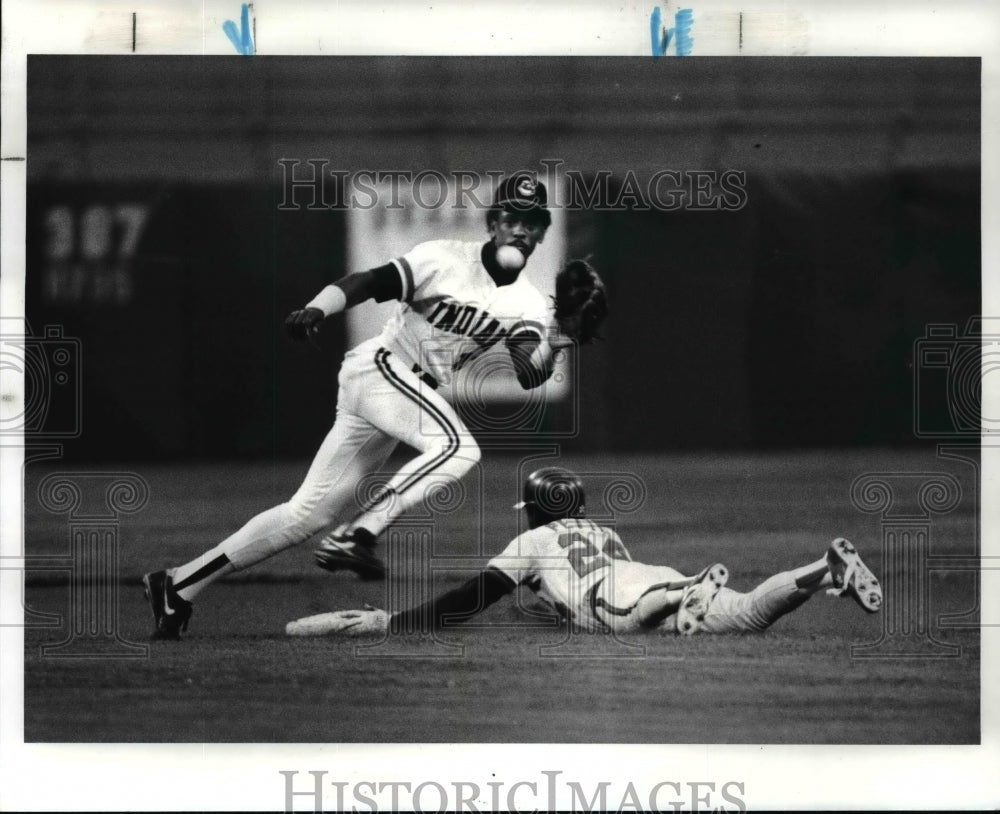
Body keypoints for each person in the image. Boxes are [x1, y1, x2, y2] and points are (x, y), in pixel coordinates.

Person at [143, 174, 569, 640]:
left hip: (402, 395)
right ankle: (359, 533)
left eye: (533, 221)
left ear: (544, 232)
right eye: (512, 218)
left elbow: (530, 372)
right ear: (492, 224)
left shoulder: (528, 302)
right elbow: (367, 281)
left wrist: (563, 336)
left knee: (305, 516)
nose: (521, 230)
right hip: (381, 368)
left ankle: (178, 583)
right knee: (457, 448)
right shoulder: (444, 257)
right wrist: (319, 307)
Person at [285, 466, 884, 638]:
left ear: (536, 511)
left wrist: (398, 621)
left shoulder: (533, 539)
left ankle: (689, 590)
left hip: (623, 594)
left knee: (632, 614)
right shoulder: (601, 529)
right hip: (646, 573)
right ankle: (825, 566)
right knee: (750, 613)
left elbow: (471, 599)